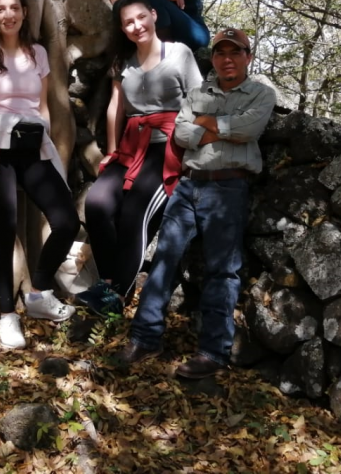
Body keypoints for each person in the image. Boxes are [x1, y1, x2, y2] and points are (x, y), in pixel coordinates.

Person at [117, 28, 276, 379]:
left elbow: (248, 129)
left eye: (236, 53)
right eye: (221, 53)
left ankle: (213, 353)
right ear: (214, 58)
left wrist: (206, 124)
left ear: (248, 57)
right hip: (189, 186)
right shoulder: (197, 92)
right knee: (163, 260)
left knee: (223, 270)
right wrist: (223, 127)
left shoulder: (261, 94)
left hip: (228, 188)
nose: (227, 59)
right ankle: (145, 338)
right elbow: (182, 134)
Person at [0, 0, 80, 349]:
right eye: (0, 9)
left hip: (30, 143)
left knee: (66, 221)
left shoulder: (37, 53)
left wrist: (47, 140)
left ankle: (39, 292)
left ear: (25, 13)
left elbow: (41, 107)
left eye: (14, 8)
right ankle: (7, 315)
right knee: (3, 229)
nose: (8, 14)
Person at [77, 0, 203, 317]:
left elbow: (199, 101)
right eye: (128, 23)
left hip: (168, 147)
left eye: (140, 18)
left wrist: (195, 151)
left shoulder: (179, 54)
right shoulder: (124, 61)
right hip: (131, 147)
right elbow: (116, 107)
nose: (136, 26)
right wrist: (112, 149)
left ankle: (117, 295)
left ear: (153, 16)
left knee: (135, 214)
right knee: (97, 203)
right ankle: (108, 285)